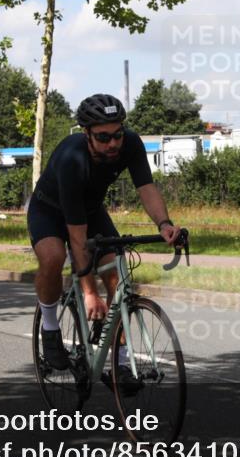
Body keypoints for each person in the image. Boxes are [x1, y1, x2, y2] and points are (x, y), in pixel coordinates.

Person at [27, 93, 182, 384]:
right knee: (53, 258)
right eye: (103, 137)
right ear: (86, 134)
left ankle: (119, 363)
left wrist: (164, 224)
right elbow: (77, 239)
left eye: (117, 134)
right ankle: (50, 328)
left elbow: (146, 187)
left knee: (117, 279)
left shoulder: (130, 144)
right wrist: (89, 292)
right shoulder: (72, 158)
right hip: (49, 210)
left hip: (90, 210)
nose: (112, 143)